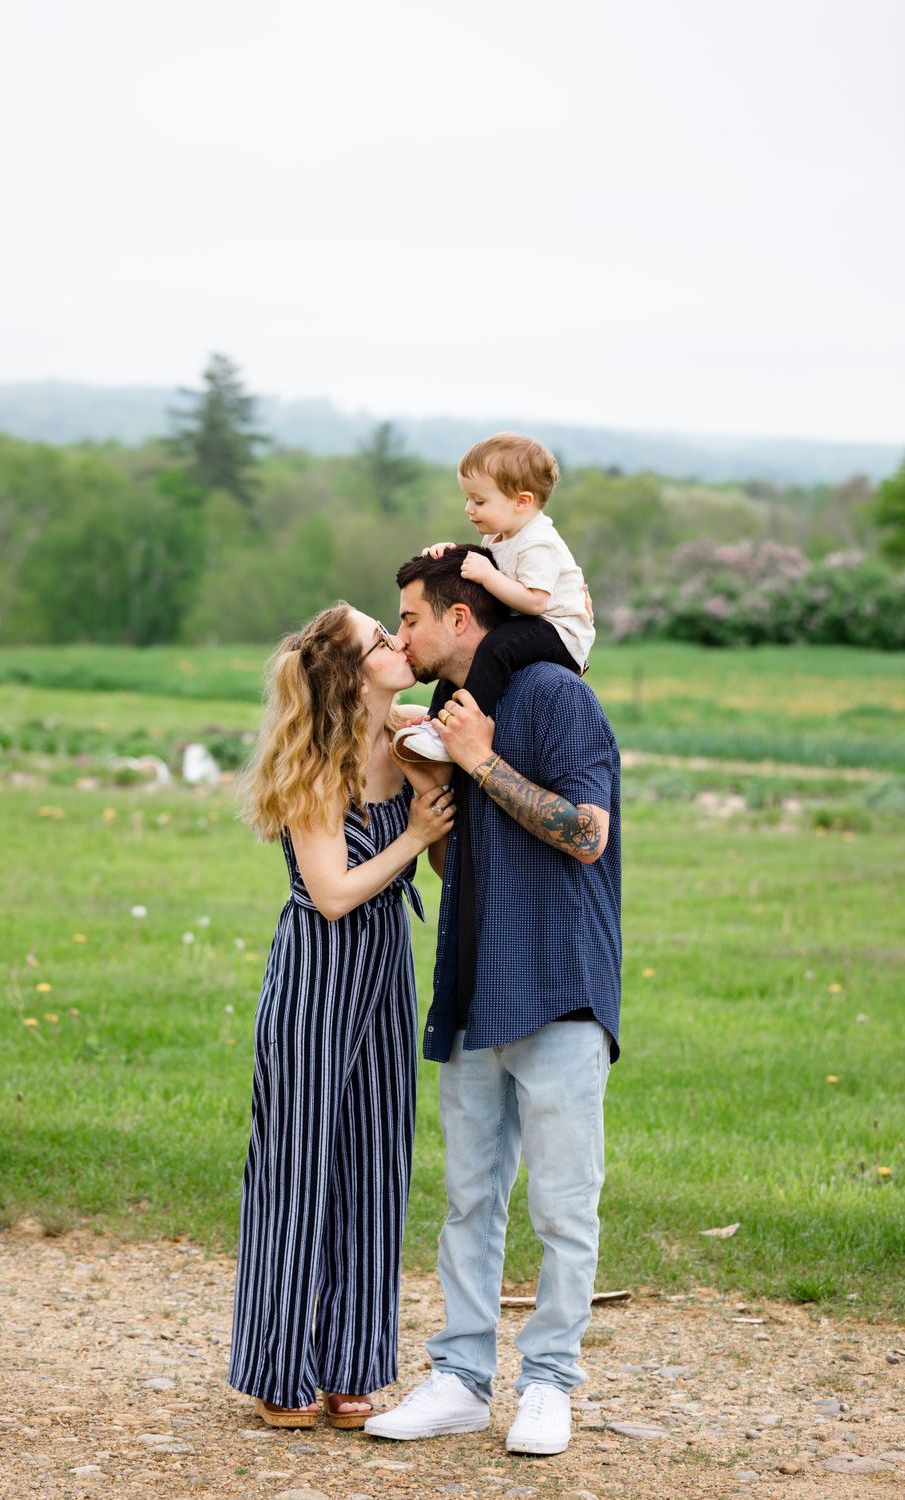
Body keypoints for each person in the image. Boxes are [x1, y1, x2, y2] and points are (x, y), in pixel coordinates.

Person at [365, 549, 621, 1457]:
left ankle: (549, 1384)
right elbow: (460, 859)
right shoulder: (450, 712)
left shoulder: (553, 695)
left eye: (410, 620)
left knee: (561, 1204)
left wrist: (478, 761)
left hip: (558, 986)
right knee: (470, 1200)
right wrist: (439, 785)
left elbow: (585, 835)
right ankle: (461, 1381)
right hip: (472, 985)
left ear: (461, 620)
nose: (403, 637)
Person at [228, 603, 455, 1430]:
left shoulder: (405, 740)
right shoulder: (319, 765)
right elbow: (330, 895)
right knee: (294, 1174)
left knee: (373, 1164)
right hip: (317, 974)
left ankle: (352, 1367)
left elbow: (437, 850)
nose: (400, 644)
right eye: (381, 639)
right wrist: (412, 838)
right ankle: (279, 1370)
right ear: (348, 673)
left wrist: (435, 787)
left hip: (384, 967)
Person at [396, 431, 595, 763]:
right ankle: (435, 722)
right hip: (530, 622)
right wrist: (449, 553)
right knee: (462, 657)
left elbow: (535, 602)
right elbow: (480, 571)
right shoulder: (501, 535)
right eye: (468, 499)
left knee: (495, 647)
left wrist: (488, 575)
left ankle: (466, 723)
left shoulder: (539, 542)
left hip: (560, 631)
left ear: (522, 501)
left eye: (479, 501)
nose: (468, 509)